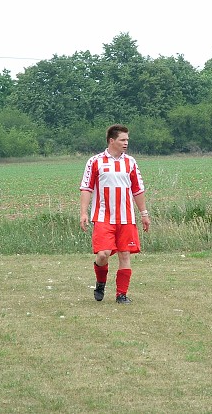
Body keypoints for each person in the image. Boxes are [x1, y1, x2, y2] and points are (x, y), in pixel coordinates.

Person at [80, 124, 150, 304]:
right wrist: (83, 213)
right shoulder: (95, 161)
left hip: (126, 218)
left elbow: (137, 189)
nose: (126, 143)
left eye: (127, 140)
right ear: (112, 141)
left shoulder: (131, 162)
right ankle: (101, 282)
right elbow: (86, 188)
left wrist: (144, 213)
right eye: (122, 140)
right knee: (103, 254)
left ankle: (121, 294)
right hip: (103, 217)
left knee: (125, 255)